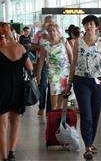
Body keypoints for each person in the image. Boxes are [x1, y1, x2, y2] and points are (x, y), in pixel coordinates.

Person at [65, 15, 101, 160]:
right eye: (86, 24)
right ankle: (88, 146)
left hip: (97, 82)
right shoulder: (78, 42)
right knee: (86, 113)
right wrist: (69, 82)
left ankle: (90, 141)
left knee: (95, 114)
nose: (88, 26)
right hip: (81, 81)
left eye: (91, 24)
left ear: (96, 26)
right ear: (84, 27)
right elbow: (73, 63)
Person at [0, 22, 33, 161]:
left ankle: (4, 157)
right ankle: (12, 151)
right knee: (15, 122)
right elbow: (30, 68)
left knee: (2, 126)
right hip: (18, 88)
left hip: (1, 89)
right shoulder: (20, 48)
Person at [36, 23, 73, 110]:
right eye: (50, 31)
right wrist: (38, 74)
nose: (52, 32)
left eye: (54, 30)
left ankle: (59, 110)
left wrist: (73, 69)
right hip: (52, 71)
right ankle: (53, 109)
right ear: (47, 32)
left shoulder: (63, 41)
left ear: (57, 31)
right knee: (54, 90)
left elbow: (71, 55)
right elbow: (41, 60)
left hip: (64, 71)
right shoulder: (45, 45)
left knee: (62, 91)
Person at [32, 15, 54, 115]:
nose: (49, 24)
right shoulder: (39, 33)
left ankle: (49, 109)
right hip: (42, 61)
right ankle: (41, 106)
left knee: (52, 87)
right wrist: (41, 48)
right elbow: (32, 45)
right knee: (42, 84)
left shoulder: (56, 34)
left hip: (54, 63)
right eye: (47, 22)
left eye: (51, 22)